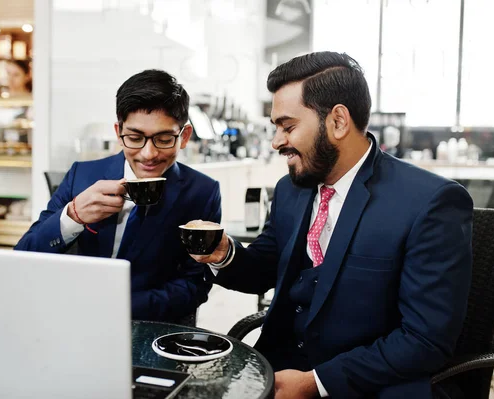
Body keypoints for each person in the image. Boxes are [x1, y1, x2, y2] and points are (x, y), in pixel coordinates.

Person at [190, 52, 473, 398]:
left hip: (367, 386)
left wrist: (315, 383)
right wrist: (222, 252)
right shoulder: (291, 190)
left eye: (288, 126)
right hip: (276, 369)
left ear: (338, 121)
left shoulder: (430, 203)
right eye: (275, 128)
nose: (276, 142)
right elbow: (265, 269)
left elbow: (424, 340)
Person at [15, 70, 221, 323]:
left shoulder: (202, 192)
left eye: (164, 139)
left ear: (185, 136)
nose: (148, 154)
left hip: (150, 325)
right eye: (134, 138)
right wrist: (73, 215)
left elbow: (194, 285)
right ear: (118, 131)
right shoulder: (83, 175)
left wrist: (117, 307)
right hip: (74, 319)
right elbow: (25, 255)